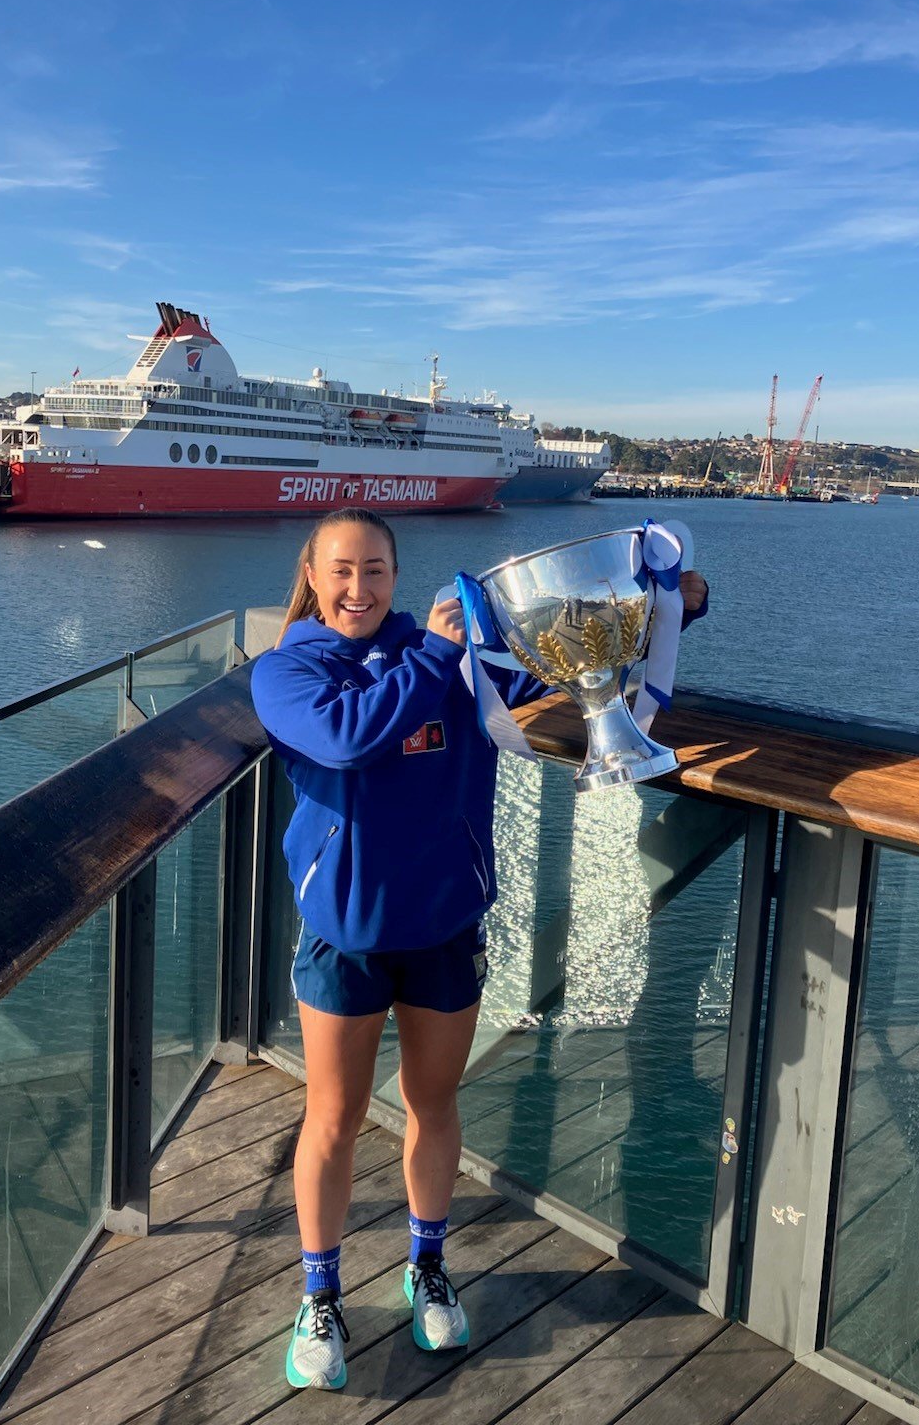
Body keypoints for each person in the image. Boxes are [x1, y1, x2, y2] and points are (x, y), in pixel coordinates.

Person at [250, 507, 708, 1392]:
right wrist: (434, 655)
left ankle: (427, 1266)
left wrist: (666, 602)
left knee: (433, 1105)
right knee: (334, 1119)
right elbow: (349, 738)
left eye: (376, 570)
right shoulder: (286, 672)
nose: (358, 588)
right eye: (341, 570)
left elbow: (570, 648)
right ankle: (320, 1294)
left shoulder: (459, 657)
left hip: (445, 926)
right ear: (312, 575)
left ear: (395, 574)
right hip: (345, 934)